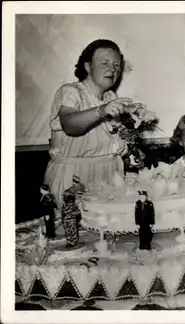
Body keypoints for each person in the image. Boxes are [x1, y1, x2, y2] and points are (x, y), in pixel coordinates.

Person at [44, 39, 139, 207]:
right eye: (105, 63)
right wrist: (101, 111)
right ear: (88, 67)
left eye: (117, 65)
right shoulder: (70, 92)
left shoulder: (111, 97)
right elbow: (69, 125)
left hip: (109, 176)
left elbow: (110, 139)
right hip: (75, 179)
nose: (112, 69)